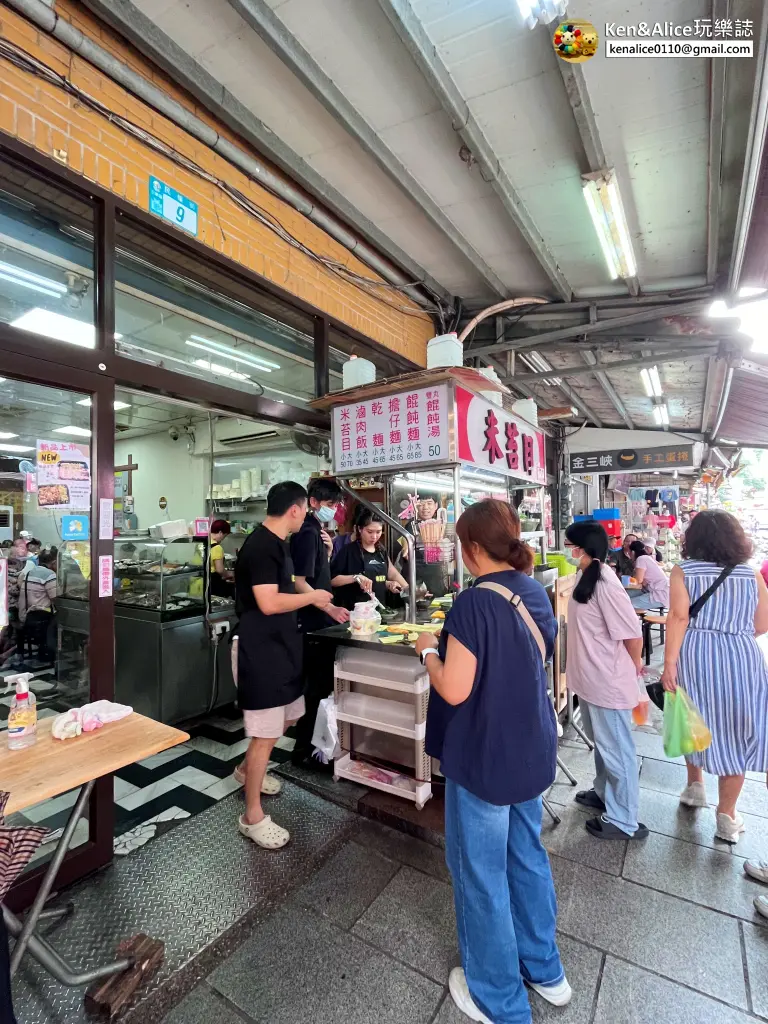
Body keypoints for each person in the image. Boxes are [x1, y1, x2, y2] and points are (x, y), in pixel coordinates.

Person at [414, 499, 570, 1023]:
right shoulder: (533, 590)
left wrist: (426, 652)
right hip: (530, 747)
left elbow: (455, 689)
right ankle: (545, 971)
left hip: (485, 754)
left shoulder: (474, 603)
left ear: (473, 548)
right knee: (525, 853)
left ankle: (497, 998)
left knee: (479, 871)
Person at [233, 481, 334, 850]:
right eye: (306, 510)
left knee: (290, 716)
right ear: (295, 509)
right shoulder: (261, 547)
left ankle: (246, 772)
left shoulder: (281, 545)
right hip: (261, 653)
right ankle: (252, 816)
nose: (308, 515)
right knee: (265, 733)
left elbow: (289, 591)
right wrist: (317, 596)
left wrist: (324, 604)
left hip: (283, 648)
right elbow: (269, 602)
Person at [662, 510, 768, 844]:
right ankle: (727, 815)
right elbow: (762, 623)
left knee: (691, 719)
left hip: (695, 654)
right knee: (737, 731)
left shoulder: (683, 571)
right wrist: (731, 633)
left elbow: (678, 617)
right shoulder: (751, 575)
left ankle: (695, 787)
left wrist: (669, 665)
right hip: (741, 656)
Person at [564, 522, 648, 841]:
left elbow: (631, 632)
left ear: (584, 549)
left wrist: (634, 667)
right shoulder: (585, 576)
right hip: (589, 677)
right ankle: (603, 793)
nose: (568, 550)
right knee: (603, 743)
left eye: (571, 545)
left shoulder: (606, 581)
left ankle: (624, 818)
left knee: (616, 748)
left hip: (606, 680)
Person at [288, 476, 349, 768]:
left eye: (335, 504)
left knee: (319, 688)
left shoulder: (316, 532)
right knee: (314, 690)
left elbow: (314, 575)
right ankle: (304, 752)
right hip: (311, 623)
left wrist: (327, 554)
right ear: (312, 503)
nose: (333, 509)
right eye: (329, 504)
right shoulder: (306, 534)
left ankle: (314, 748)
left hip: (318, 619)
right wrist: (330, 608)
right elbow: (300, 583)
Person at [330, 507, 408, 610]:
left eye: (378, 532)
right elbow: (332, 580)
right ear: (359, 529)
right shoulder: (348, 551)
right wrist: (355, 577)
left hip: (379, 610)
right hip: (355, 612)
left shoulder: (381, 550)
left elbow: (391, 573)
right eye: (370, 532)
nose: (374, 537)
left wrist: (407, 589)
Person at [18, 547, 57, 662]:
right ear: (54, 562)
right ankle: (53, 652)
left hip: (28, 616)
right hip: (42, 618)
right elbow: (55, 598)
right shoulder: (49, 575)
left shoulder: (30, 572)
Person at [628, 539, 670, 610]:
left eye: (629, 552)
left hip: (660, 595)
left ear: (633, 552)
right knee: (626, 595)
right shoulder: (647, 558)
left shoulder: (641, 559)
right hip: (661, 591)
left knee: (627, 604)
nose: (628, 554)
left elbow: (638, 580)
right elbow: (643, 581)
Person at [208, 519, 234, 598]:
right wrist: (230, 574)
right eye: (224, 536)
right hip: (212, 584)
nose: (223, 539)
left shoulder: (203, 543)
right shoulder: (217, 547)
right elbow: (219, 570)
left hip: (199, 582)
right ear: (220, 533)